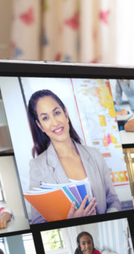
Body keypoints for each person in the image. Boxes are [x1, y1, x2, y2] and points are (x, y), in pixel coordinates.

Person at [26, 89, 124, 224]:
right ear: (40, 126)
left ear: (65, 114)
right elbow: (37, 222)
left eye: (57, 113)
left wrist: (107, 220)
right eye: (45, 118)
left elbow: (113, 200)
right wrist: (69, 222)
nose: (55, 122)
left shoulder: (94, 155)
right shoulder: (38, 166)